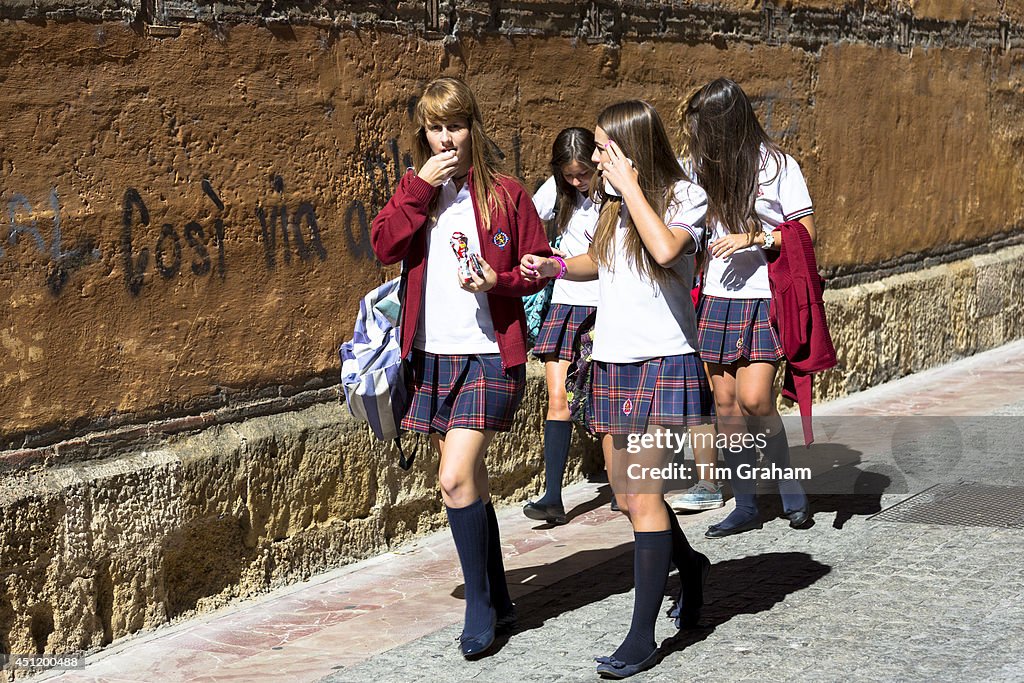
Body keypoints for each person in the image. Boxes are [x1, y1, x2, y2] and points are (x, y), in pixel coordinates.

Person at [522, 101, 713, 679]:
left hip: (662, 360)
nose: (596, 159)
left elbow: (663, 249)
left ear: (631, 147)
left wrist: (630, 187)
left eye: (605, 148)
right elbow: (600, 261)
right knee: (629, 499)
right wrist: (552, 266)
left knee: (646, 497)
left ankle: (642, 636)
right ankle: (692, 566)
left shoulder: (684, 196)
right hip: (612, 361)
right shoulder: (608, 206)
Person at [370, 76, 552, 658]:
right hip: (431, 357)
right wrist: (418, 189)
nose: (446, 138)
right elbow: (384, 245)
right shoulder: (417, 193)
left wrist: (502, 280)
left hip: (491, 355)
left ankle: (479, 607)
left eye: (456, 125)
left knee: (452, 477)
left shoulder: (507, 196)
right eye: (435, 128)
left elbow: (542, 266)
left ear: (475, 127)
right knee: (468, 481)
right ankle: (499, 597)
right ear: (423, 133)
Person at [682, 77, 817, 538]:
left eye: (704, 126)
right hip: (716, 299)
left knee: (756, 399)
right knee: (726, 406)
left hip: (762, 298)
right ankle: (745, 503)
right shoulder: (699, 166)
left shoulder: (778, 166)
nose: (698, 136)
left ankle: (787, 481)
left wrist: (755, 237)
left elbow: (805, 236)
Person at [522, 127, 600, 525]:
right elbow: (527, 222)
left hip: (605, 307)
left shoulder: (614, 196)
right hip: (565, 304)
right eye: (569, 174)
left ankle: (625, 484)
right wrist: (543, 256)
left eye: (583, 172)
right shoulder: (557, 191)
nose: (576, 181)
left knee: (603, 396)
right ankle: (552, 495)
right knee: (559, 398)